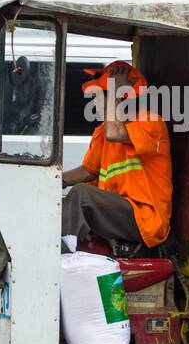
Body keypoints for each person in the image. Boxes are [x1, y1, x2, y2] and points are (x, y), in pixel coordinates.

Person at [61, 60, 172, 251]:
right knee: (58, 204)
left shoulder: (150, 122)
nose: (94, 100)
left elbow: (115, 133)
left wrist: (114, 90)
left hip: (144, 219)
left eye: (99, 95)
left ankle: (59, 256)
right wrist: (53, 181)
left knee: (81, 195)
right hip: (117, 214)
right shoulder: (103, 131)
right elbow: (88, 171)